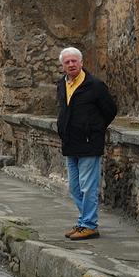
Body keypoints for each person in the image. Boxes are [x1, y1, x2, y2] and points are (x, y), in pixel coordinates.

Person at [56, 47, 117, 241]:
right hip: (70, 143)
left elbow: (110, 110)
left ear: (81, 63)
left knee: (88, 187)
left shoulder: (95, 85)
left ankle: (89, 225)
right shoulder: (62, 84)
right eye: (67, 62)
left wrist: (94, 129)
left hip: (89, 143)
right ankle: (84, 221)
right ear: (63, 66)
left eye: (74, 61)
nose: (71, 64)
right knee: (74, 187)